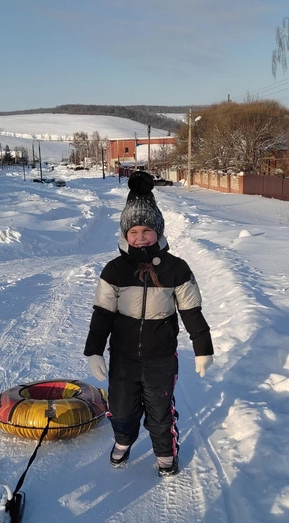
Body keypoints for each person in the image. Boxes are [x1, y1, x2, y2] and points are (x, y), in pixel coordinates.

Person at [84, 171, 213, 477]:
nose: (140, 237)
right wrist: (94, 351)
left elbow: (192, 311)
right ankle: (124, 440)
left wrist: (203, 348)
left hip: (160, 357)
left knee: (159, 409)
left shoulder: (176, 268)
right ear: (124, 235)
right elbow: (102, 314)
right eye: (133, 231)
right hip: (124, 357)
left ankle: (165, 452)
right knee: (122, 407)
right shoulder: (114, 270)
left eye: (147, 230)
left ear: (158, 231)